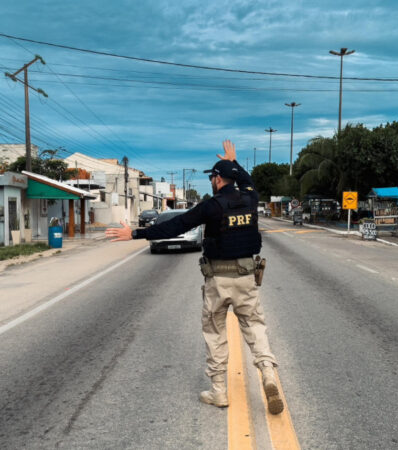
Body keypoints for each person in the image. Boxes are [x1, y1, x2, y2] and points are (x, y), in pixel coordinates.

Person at [105, 140, 283, 415]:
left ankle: (219, 392)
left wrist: (136, 234)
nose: (212, 181)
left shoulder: (211, 206)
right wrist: (235, 163)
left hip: (218, 280)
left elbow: (176, 225)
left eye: (213, 177)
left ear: (217, 179)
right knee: (255, 328)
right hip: (247, 277)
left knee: (215, 333)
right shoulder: (250, 198)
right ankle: (269, 374)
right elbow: (248, 181)